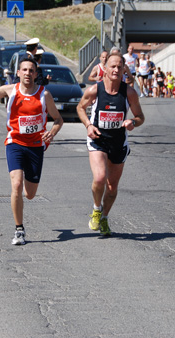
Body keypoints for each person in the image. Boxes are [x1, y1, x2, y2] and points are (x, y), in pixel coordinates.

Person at [0, 53, 64, 245]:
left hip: (35, 147)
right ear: (18, 72)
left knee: (30, 194)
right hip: (14, 143)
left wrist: (53, 132)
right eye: (24, 70)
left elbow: (58, 119)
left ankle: (24, 192)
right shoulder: (11, 90)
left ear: (35, 73)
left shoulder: (44, 95)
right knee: (16, 185)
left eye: (31, 70)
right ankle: (19, 230)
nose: (28, 73)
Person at [76, 52, 145, 236]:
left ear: (124, 70)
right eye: (112, 66)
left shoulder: (129, 93)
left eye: (119, 67)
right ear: (104, 69)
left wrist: (133, 122)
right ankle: (96, 209)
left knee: (112, 187)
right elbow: (80, 108)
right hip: (98, 139)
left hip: (118, 143)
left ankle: (105, 217)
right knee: (99, 178)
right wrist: (88, 125)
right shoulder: (94, 90)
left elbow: (140, 117)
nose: (115, 70)